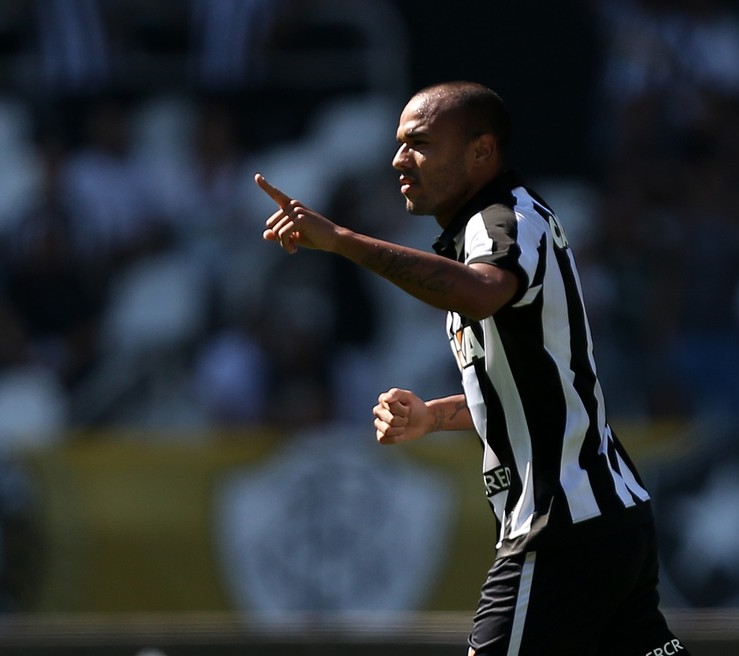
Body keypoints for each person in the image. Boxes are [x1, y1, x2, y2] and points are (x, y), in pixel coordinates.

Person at [255, 81, 688, 656]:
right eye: (400, 143)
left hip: (561, 527)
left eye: (421, 144)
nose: (398, 160)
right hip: (608, 520)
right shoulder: (482, 232)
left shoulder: (500, 218)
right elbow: (537, 386)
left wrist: (341, 241)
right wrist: (434, 417)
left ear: (482, 151)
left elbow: (481, 293)